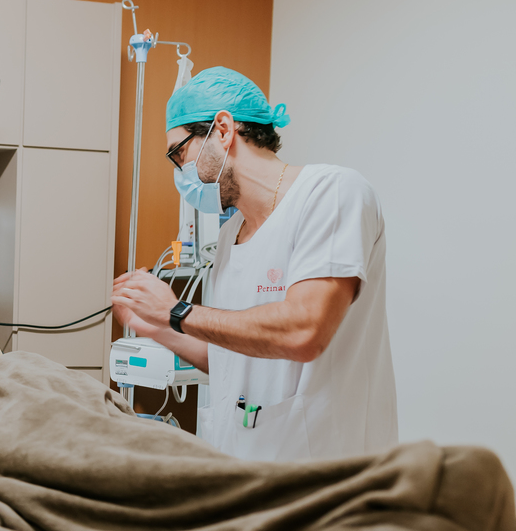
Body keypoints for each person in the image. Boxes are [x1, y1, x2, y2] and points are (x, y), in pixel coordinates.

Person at [110, 67, 397, 461]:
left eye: (179, 153)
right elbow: (233, 355)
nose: (180, 173)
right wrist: (154, 325)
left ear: (223, 131)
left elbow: (304, 331)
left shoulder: (331, 193)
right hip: (244, 465)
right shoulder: (230, 237)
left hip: (325, 473)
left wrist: (175, 309)